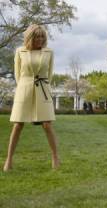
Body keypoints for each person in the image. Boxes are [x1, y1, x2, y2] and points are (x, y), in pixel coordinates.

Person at [3, 24, 60, 171]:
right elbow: (17, 75)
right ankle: (9, 160)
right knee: (18, 125)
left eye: (42, 36)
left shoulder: (49, 52)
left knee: (47, 124)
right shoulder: (20, 51)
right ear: (30, 37)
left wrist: (44, 86)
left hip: (43, 89)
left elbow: (49, 74)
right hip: (24, 89)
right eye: (37, 36)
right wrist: (25, 86)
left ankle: (55, 157)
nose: (40, 39)